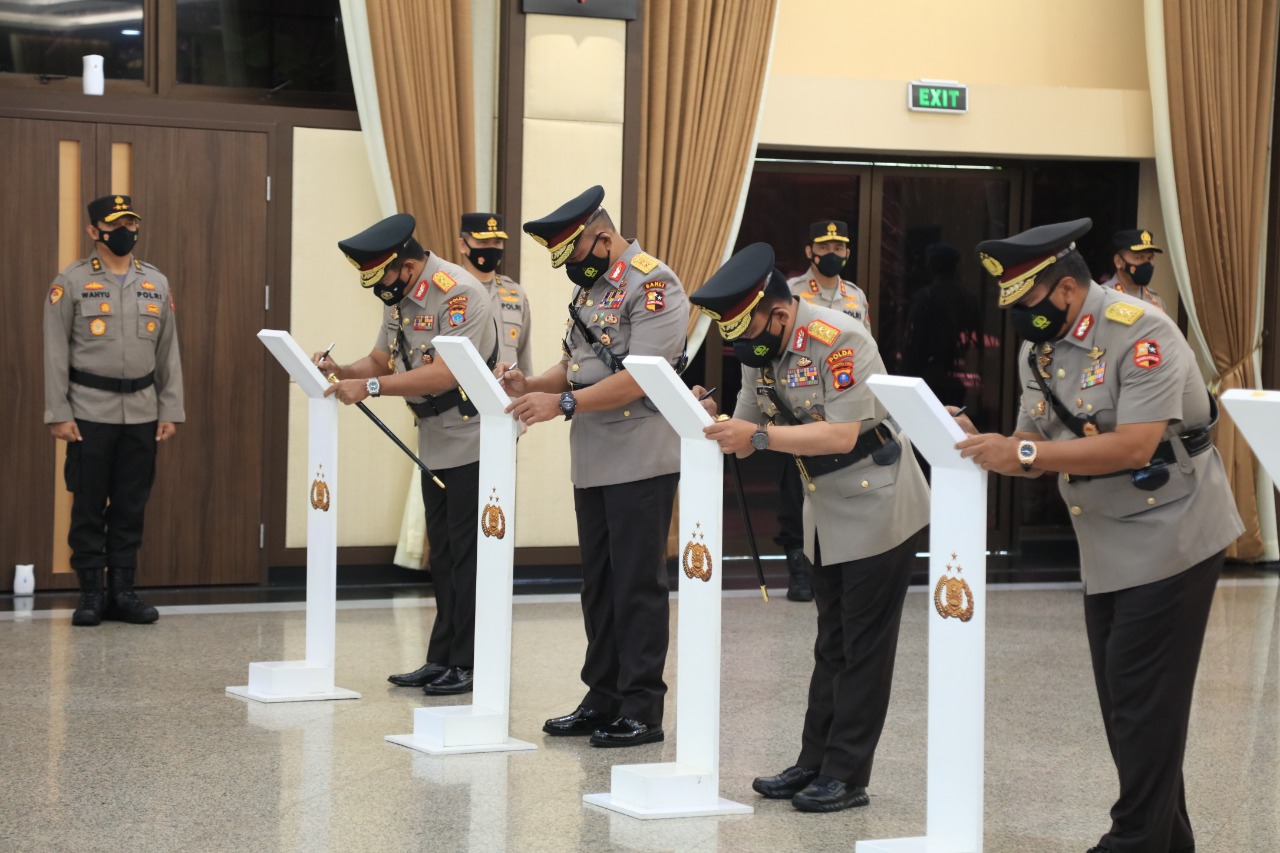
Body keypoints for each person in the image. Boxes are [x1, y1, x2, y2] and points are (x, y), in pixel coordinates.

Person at [959, 218, 1242, 853]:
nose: (1019, 316)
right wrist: (987, 437)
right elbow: (1034, 427)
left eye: (1026, 300)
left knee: (1142, 701)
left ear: (1063, 290)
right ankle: (1167, 841)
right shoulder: (1045, 346)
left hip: (1172, 529)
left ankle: (1132, 841)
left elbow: (1136, 443)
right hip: (1107, 538)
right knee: (1129, 700)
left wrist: (1025, 453)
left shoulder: (1141, 331)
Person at [691, 242, 930, 812]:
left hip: (878, 498)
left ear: (778, 312)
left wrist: (757, 437)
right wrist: (715, 420)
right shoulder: (758, 343)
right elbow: (748, 427)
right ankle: (812, 762)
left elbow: (842, 434)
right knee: (832, 642)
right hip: (823, 505)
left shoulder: (839, 337)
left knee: (864, 647)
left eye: (747, 331)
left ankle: (847, 775)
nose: (742, 347)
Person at [503, 185, 687, 748]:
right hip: (595, 455)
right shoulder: (594, 289)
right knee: (599, 585)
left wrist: (562, 402)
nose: (573, 271)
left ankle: (641, 708)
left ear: (603, 239)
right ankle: (601, 695)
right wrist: (534, 384)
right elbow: (578, 362)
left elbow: (641, 377)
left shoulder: (655, 284)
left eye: (577, 257)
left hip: (640, 453)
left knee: (637, 585)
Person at [318, 213, 498, 696]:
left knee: (469, 556)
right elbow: (379, 359)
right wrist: (343, 370)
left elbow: (443, 374)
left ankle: (470, 662)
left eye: (384, 278)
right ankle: (441, 656)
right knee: (442, 555)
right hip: (435, 437)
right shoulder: (400, 294)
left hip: (473, 435)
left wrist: (371, 387)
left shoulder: (457, 293)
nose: (381, 290)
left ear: (407, 264)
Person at [44, 194, 184, 627]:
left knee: (130, 505)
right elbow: (53, 351)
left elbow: (168, 351)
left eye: (131, 222)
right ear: (94, 232)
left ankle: (123, 593)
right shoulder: (70, 281)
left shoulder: (155, 283)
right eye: (115, 224)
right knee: (87, 505)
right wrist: (58, 412)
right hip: (88, 411)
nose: (126, 231)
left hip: (142, 412)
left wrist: (170, 409)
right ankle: (90, 596)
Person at [776, 219, 873, 601]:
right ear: (810, 252)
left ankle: (832, 561)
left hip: (841, 402)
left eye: (840, 248)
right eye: (825, 248)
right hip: (798, 405)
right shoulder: (793, 291)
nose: (833, 254)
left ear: (847, 252)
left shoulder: (856, 296)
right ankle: (798, 567)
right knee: (793, 491)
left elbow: (866, 346)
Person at [457, 212, 533, 376]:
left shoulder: (515, 294)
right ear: (462, 245)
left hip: (508, 397)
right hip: (462, 397)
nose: (491, 248)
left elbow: (524, 357)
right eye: (483, 242)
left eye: (497, 242)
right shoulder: (449, 291)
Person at [1098, 228, 1167, 311]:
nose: (1146, 264)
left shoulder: (1155, 300)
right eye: (1138, 258)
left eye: (1150, 258)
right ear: (1118, 261)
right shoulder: (1102, 298)